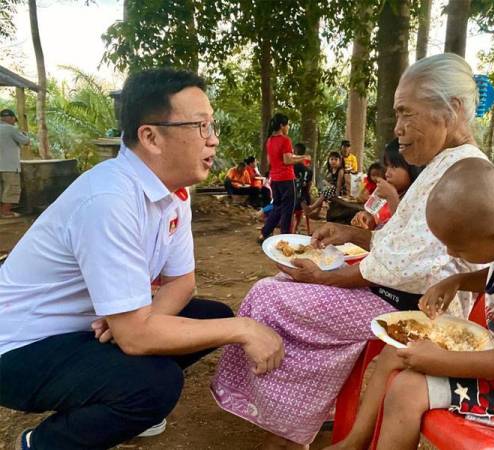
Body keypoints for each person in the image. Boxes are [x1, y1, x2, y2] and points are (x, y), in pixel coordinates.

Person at [212, 53, 492, 450]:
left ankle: (287, 423)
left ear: (454, 109)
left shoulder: (460, 174)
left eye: (406, 115)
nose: (398, 130)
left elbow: (404, 267)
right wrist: (349, 233)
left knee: (269, 295)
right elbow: (399, 248)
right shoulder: (442, 166)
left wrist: (324, 277)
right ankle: (298, 414)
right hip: (393, 292)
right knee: (279, 283)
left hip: (413, 310)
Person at [0, 68, 283, 450]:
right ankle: (42, 443)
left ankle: (121, 399)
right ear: (150, 136)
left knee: (209, 315)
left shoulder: (172, 195)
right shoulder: (109, 200)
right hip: (20, 348)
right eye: (200, 126)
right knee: (155, 385)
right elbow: (136, 337)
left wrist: (134, 325)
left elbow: (183, 283)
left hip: (87, 328)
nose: (213, 140)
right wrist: (245, 329)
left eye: (211, 125)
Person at [327, 158, 494, 450]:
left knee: (408, 389)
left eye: (457, 248)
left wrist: (443, 361)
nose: (449, 252)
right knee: (399, 350)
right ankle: (355, 441)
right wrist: (457, 280)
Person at [259, 113, 310, 242]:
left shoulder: (269, 140)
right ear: (282, 125)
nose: (288, 127)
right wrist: (303, 157)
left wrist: (298, 158)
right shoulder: (285, 140)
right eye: (287, 124)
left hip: (274, 180)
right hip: (286, 179)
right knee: (288, 210)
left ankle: (264, 233)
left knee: (277, 207)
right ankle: (285, 238)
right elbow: (287, 160)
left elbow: (272, 160)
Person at [352, 139, 421, 230]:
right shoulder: (384, 193)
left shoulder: (416, 199)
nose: (387, 173)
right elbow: (377, 219)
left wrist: (391, 196)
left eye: (394, 166)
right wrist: (367, 218)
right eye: (387, 166)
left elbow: (404, 231)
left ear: (413, 167)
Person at [0, 108, 29, 218]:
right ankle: (5, 212)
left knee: (1, 189)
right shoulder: (11, 129)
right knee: (11, 189)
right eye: (14, 120)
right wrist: (24, 134)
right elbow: (26, 141)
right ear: (11, 118)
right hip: (9, 165)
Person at [302, 151, 345, 218]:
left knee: (325, 192)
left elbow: (339, 185)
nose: (333, 161)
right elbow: (330, 181)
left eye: (336, 159)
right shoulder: (332, 169)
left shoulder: (340, 171)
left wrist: (337, 195)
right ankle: (317, 212)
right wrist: (327, 183)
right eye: (332, 159)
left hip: (340, 190)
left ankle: (311, 208)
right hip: (333, 189)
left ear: (340, 161)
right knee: (323, 191)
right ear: (329, 160)